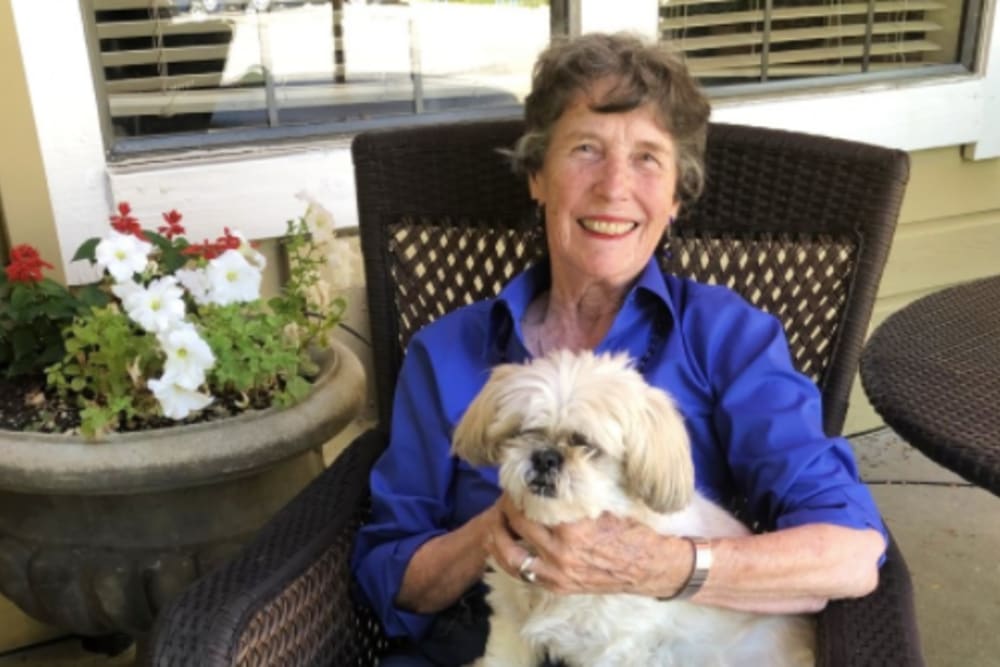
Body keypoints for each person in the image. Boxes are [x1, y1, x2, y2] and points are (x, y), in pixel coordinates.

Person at [351, 32, 887, 666]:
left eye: (648, 159)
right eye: (585, 149)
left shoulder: (727, 337)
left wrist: (661, 566)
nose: (613, 187)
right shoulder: (447, 353)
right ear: (537, 177)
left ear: (676, 198)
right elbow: (389, 576)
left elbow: (849, 555)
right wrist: (495, 534)